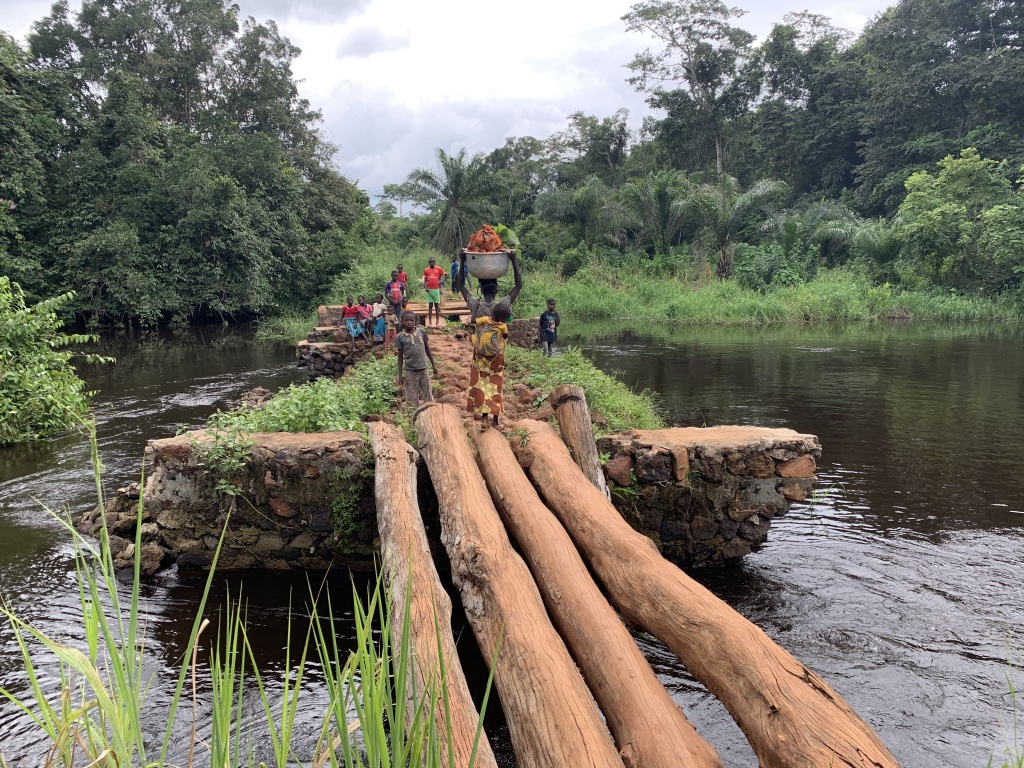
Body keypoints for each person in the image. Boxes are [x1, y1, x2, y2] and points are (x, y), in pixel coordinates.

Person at [467, 303, 511, 429]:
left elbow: (473, 321)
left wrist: (475, 309)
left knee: (482, 387)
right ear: (503, 319)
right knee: (496, 388)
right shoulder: (502, 326)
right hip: (496, 361)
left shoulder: (485, 320)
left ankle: (484, 419)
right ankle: (496, 421)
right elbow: (505, 337)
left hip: (481, 359)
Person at [459, 249, 522, 322]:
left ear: (481, 290)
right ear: (496, 290)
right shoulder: (502, 307)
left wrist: (462, 261)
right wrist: (514, 260)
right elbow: (518, 285)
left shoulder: (476, 306)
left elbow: (461, 285)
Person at [396, 310, 438, 408]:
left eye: (411, 320)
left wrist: (434, 365)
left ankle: (431, 410)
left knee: (427, 392)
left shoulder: (421, 332)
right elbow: (400, 356)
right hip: (410, 370)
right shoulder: (400, 337)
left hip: (423, 368)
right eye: (406, 320)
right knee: (411, 394)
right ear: (402, 321)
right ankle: (412, 415)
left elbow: (427, 349)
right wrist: (400, 374)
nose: (409, 322)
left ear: (415, 321)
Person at [422, 257, 447, 328]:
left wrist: (442, 282)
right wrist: (425, 287)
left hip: (436, 290)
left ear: (435, 262)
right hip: (429, 290)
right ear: (428, 263)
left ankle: (437, 322)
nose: (431, 263)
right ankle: (429, 322)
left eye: (433, 262)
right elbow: (424, 280)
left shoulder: (438, 269)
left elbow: (446, 275)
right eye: (430, 262)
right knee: (430, 306)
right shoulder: (426, 270)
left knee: (436, 306)